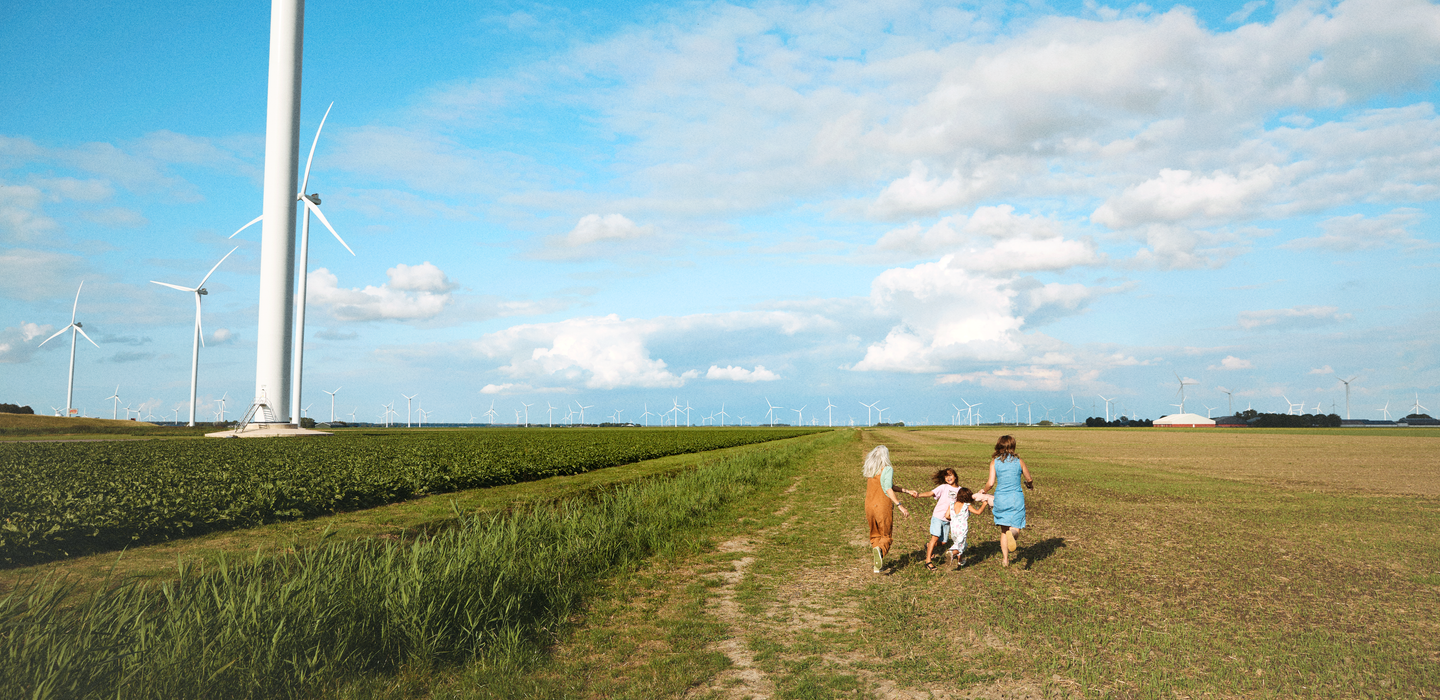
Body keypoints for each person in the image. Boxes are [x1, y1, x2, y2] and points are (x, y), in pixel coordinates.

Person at [979, 435, 1033, 567]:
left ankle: (1005, 560)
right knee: (1015, 527)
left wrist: (984, 492)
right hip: (1015, 498)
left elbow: (991, 482)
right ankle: (1012, 534)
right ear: (1012, 446)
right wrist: (1029, 485)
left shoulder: (994, 462)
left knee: (1003, 530)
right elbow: (1029, 478)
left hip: (1000, 498)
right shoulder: (1018, 461)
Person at [863, 445, 911, 573]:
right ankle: (880, 551)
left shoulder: (871, 470)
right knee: (886, 535)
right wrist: (900, 505)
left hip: (869, 505)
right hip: (882, 505)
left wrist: (906, 491)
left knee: (875, 534)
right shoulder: (887, 469)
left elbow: (887, 484)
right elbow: (888, 489)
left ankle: (877, 564)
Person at [913, 468, 960, 571]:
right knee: (935, 538)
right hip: (938, 516)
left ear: (955, 476)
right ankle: (928, 561)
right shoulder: (943, 487)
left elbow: (966, 499)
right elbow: (931, 493)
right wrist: (918, 495)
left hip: (948, 520)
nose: (948, 478)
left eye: (950, 475)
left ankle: (928, 545)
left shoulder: (960, 490)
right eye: (946, 476)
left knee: (943, 542)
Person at [945, 487, 989, 567]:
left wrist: (955, 518)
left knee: (961, 544)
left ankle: (960, 561)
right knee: (960, 546)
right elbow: (978, 512)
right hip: (962, 529)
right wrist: (984, 504)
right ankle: (952, 553)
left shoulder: (952, 504)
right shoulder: (966, 506)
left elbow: (947, 516)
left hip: (954, 529)